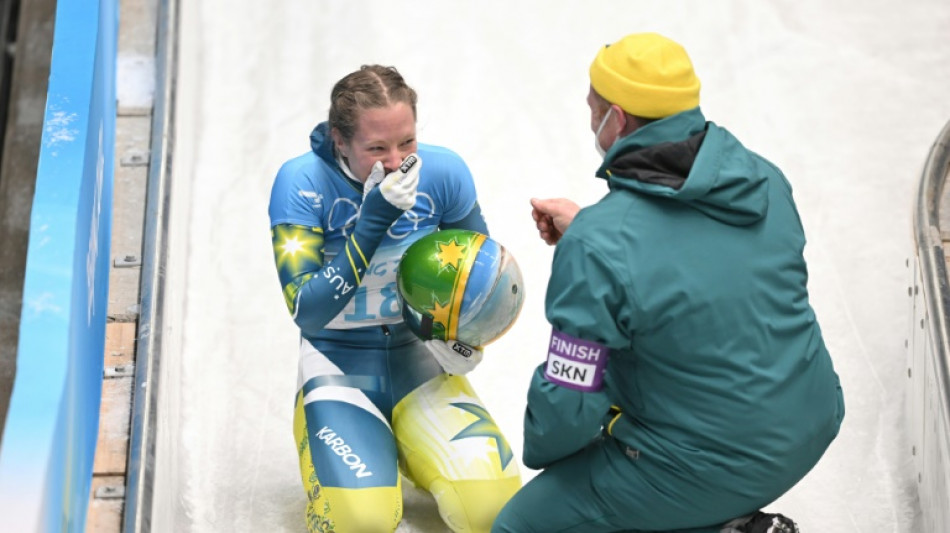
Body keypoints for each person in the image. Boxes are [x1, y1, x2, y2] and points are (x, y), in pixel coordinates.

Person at [492, 33, 844, 533]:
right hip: (811, 420)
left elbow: (569, 401)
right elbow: (705, 274)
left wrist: (549, 455)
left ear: (618, 119)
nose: (592, 121)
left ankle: (713, 517)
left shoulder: (600, 245)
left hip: (713, 463)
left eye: (594, 110)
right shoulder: (766, 179)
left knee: (521, 526)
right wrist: (596, 229)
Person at [268, 64, 521, 533]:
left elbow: (483, 277)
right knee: (360, 524)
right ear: (339, 141)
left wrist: (467, 341)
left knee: (495, 514)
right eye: (376, 148)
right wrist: (372, 220)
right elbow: (306, 309)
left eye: (407, 142)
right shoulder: (300, 183)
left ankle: (408, 447)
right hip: (338, 366)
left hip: (418, 360)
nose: (396, 162)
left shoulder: (444, 172)